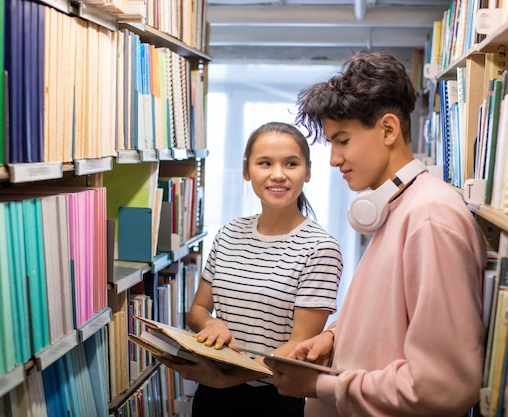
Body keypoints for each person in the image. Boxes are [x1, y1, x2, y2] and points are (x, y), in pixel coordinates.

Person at [265, 51, 487, 417]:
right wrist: (333, 338)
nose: (334, 159)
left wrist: (321, 385)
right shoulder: (399, 206)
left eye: (342, 140)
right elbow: (391, 320)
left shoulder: (429, 218)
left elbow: (444, 386)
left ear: (387, 130)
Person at [158, 121, 344, 417]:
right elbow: (198, 310)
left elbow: (298, 346)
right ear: (247, 170)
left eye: (291, 164)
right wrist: (212, 324)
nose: (278, 174)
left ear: (308, 172)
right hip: (211, 394)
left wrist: (229, 378)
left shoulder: (321, 248)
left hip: (273, 399)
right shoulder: (229, 233)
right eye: (265, 163)